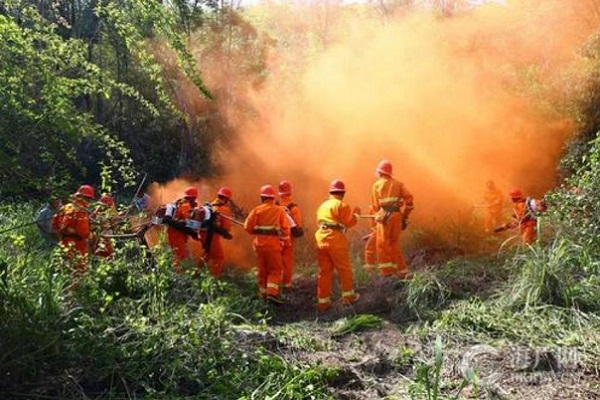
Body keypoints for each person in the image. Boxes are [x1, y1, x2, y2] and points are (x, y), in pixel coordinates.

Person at [314, 179, 361, 311]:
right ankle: (348, 297)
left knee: (324, 271)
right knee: (344, 269)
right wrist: (356, 215)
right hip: (334, 238)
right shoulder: (342, 205)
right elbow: (349, 222)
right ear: (342, 193)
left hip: (321, 237)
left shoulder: (323, 205)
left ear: (331, 192)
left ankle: (323, 302)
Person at [244, 184, 291, 304]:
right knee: (275, 269)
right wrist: (286, 242)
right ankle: (272, 293)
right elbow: (286, 229)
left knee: (262, 270)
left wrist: (256, 230)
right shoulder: (279, 210)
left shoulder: (256, 210)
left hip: (259, 245)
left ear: (262, 198)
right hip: (273, 245)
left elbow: (247, 227)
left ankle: (263, 295)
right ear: (273, 198)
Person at [370, 160, 414, 279]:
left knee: (382, 244)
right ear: (390, 173)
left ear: (380, 172)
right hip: (397, 216)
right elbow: (409, 202)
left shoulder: (376, 185)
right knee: (394, 243)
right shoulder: (399, 184)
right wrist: (404, 217)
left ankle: (387, 273)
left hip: (384, 216)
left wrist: (375, 222)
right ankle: (402, 271)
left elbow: (375, 207)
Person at [52, 185, 95, 273]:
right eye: (89, 199)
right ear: (85, 198)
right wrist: (92, 234)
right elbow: (84, 233)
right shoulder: (81, 212)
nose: (89, 202)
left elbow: (55, 224)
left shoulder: (65, 207)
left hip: (63, 242)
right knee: (78, 270)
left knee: (64, 268)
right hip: (77, 245)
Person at [162, 186, 200, 271]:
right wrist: (195, 232)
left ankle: (183, 275)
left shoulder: (180, 203)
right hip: (177, 235)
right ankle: (177, 278)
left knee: (184, 256)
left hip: (175, 234)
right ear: (193, 198)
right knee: (180, 258)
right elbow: (187, 224)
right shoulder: (186, 206)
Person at [200, 186, 234, 278]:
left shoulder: (210, 205)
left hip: (202, 233)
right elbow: (226, 228)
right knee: (219, 257)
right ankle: (214, 279)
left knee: (208, 253)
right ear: (227, 199)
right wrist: (226, 234)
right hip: (212, 235)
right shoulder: (224, 209)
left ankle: (196, 274)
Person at [278, 180, 303, 294]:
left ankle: (275, 284)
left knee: (276, 261)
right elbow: (297, 226)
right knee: (287, 262)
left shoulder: (275, 206)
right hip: (288, 240)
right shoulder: (294, 208)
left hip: (276, 239)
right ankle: (286, 285)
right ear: (290, 193)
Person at [91, 193, 118, 258]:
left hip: (104, 232)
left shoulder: (110, 210)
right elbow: (92, 217)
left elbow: (115, 221)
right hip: (101, 231)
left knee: (106, 246)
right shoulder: (100, 210)